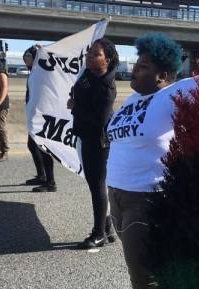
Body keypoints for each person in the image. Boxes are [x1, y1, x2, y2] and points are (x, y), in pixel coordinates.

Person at [106, 33, 197, 289]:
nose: (135, 68)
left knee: (140, 273)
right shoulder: (132, 99)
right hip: (116, 197)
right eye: (137, 62)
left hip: (145, 198)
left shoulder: (169, 96)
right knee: (149, 267)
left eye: (144, 65)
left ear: (163, 74)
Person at [67, 38, 118, 249]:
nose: (89, 57)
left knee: (97, 186)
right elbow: (78, 90)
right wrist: (75, 98)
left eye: (96, 54)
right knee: (95, 184)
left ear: (108, 59)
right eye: (89, 53)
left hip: (97, 141)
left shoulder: (107, 86)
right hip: (84, 136)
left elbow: (100, 120)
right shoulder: (88, 74)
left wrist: (75, 106)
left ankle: (99, 234)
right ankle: (107, 228)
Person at [22, 45, 57, 192]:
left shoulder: (43, 71)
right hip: (35, 112)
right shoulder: (34, 71)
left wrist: (44, 52)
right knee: (32, 145)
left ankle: (51, 182)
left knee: (43, 147)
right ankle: (41, 175)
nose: (25, 60)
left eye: (27, 57)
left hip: (44, 113)